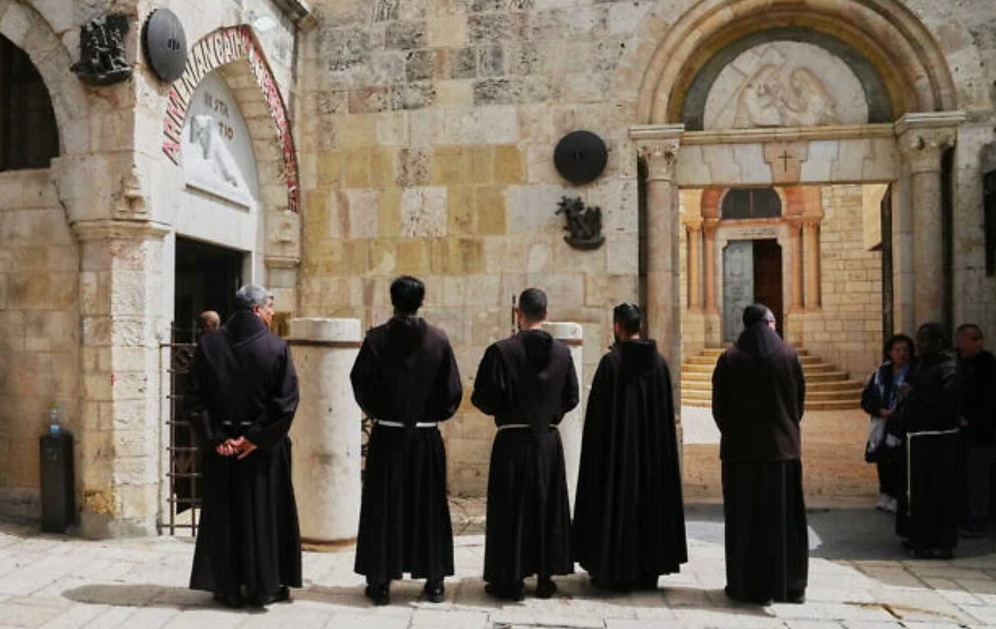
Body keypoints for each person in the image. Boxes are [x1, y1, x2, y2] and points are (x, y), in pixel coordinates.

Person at [350, 276, 463, 606]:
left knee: (384, 506)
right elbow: (452, 390)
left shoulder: (375, 340)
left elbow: (360, 383)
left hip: (387, 435)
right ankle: (435, 580)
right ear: (422, 301)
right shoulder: (439, 341)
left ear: (392, 301)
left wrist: (380, 410)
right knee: (429, 506)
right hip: (426, 436)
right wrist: (430, 413)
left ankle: (381, 581)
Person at [187, 284, 301, 608]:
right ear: (255, 310)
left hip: (222, 449)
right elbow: (286, 402)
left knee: (224, 516)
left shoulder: (208, 345)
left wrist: (216, 438)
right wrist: (255, 438)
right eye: (269, 306)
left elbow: (194, 400)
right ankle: (264, 585)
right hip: (262, 451)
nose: (272, 312)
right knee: (265, 516)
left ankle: (225, 585)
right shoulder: (276, 347)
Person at [472, 288, 579, 601]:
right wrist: (549, 415)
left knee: (511, 508)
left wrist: (507, 409)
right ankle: (545, 577)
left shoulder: (500, 351)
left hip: (512, 440)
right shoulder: (562, 353)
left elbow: (483, 397)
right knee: (546, 506)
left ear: (519, 313)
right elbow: (571, 397)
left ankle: (511, 578)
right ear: (546, 314)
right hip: (547, 441)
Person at [573, 303, 687, 592]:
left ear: (617, 326)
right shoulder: (659, 364)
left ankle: (612, 568)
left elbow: (598, 419)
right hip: (652, 458)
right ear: (640, 327)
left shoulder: (611, 364)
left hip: (616, 459)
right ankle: (649, 569)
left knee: (614, 504)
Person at [712, 304, 807, 605]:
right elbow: (798, 404)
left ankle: (746, 584)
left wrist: (736, 434)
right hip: (782, 452)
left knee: (746, 522)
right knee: (785, 521)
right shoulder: (789, 356)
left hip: (741, 455)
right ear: (769, 323)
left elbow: (720, 408)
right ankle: (791, 585)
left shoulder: (729, 359)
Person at [886, 322, 961, 558]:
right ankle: (916, 537)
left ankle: (938, 542)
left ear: (938, 341)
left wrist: (912, 394)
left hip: (938, 441)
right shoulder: (924, 364)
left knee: (937, 493)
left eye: (924, 340)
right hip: (918, 440)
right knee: (916, 492)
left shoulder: (949, 366)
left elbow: (946, 401)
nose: (919, 345)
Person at [860, 334, 915, 514]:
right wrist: (880, 410)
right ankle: (885, 494)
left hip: (901, 425)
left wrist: (898, 412)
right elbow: (867, 398)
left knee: (898, 460)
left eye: (905, 350)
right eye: (897, 350)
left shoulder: (914, 373)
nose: (901, 354)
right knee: (883, 459)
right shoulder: (881, 374)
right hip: (882, 423)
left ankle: (897, 496)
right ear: (890, 352)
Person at [955, 324, 996, 537]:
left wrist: (970, 419)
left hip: (982, 433)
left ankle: (978, 519)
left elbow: (988, 401)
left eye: (964, 341)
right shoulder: (960, 363)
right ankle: (966, 514)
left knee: (978, 478)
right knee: (966, 476)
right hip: (963, 434)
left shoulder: (988, 366)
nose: (960, 346)